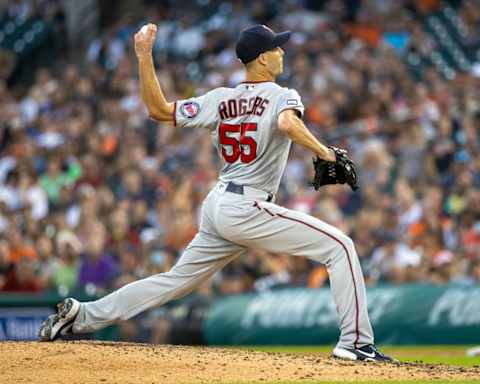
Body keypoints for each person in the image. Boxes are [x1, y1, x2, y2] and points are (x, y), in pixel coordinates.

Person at [38, 23, 396, 362]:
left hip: (219, 203)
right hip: (247, 206)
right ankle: (356, 343)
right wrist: (327, 153)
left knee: (174, 282)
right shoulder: (283, 95)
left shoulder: (220, 99)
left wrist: (144, 56)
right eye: (276, 48)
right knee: (341, 246)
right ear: (261, 59)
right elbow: (287, 122)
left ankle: (81, 316)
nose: (282, 53)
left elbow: (157, 109)